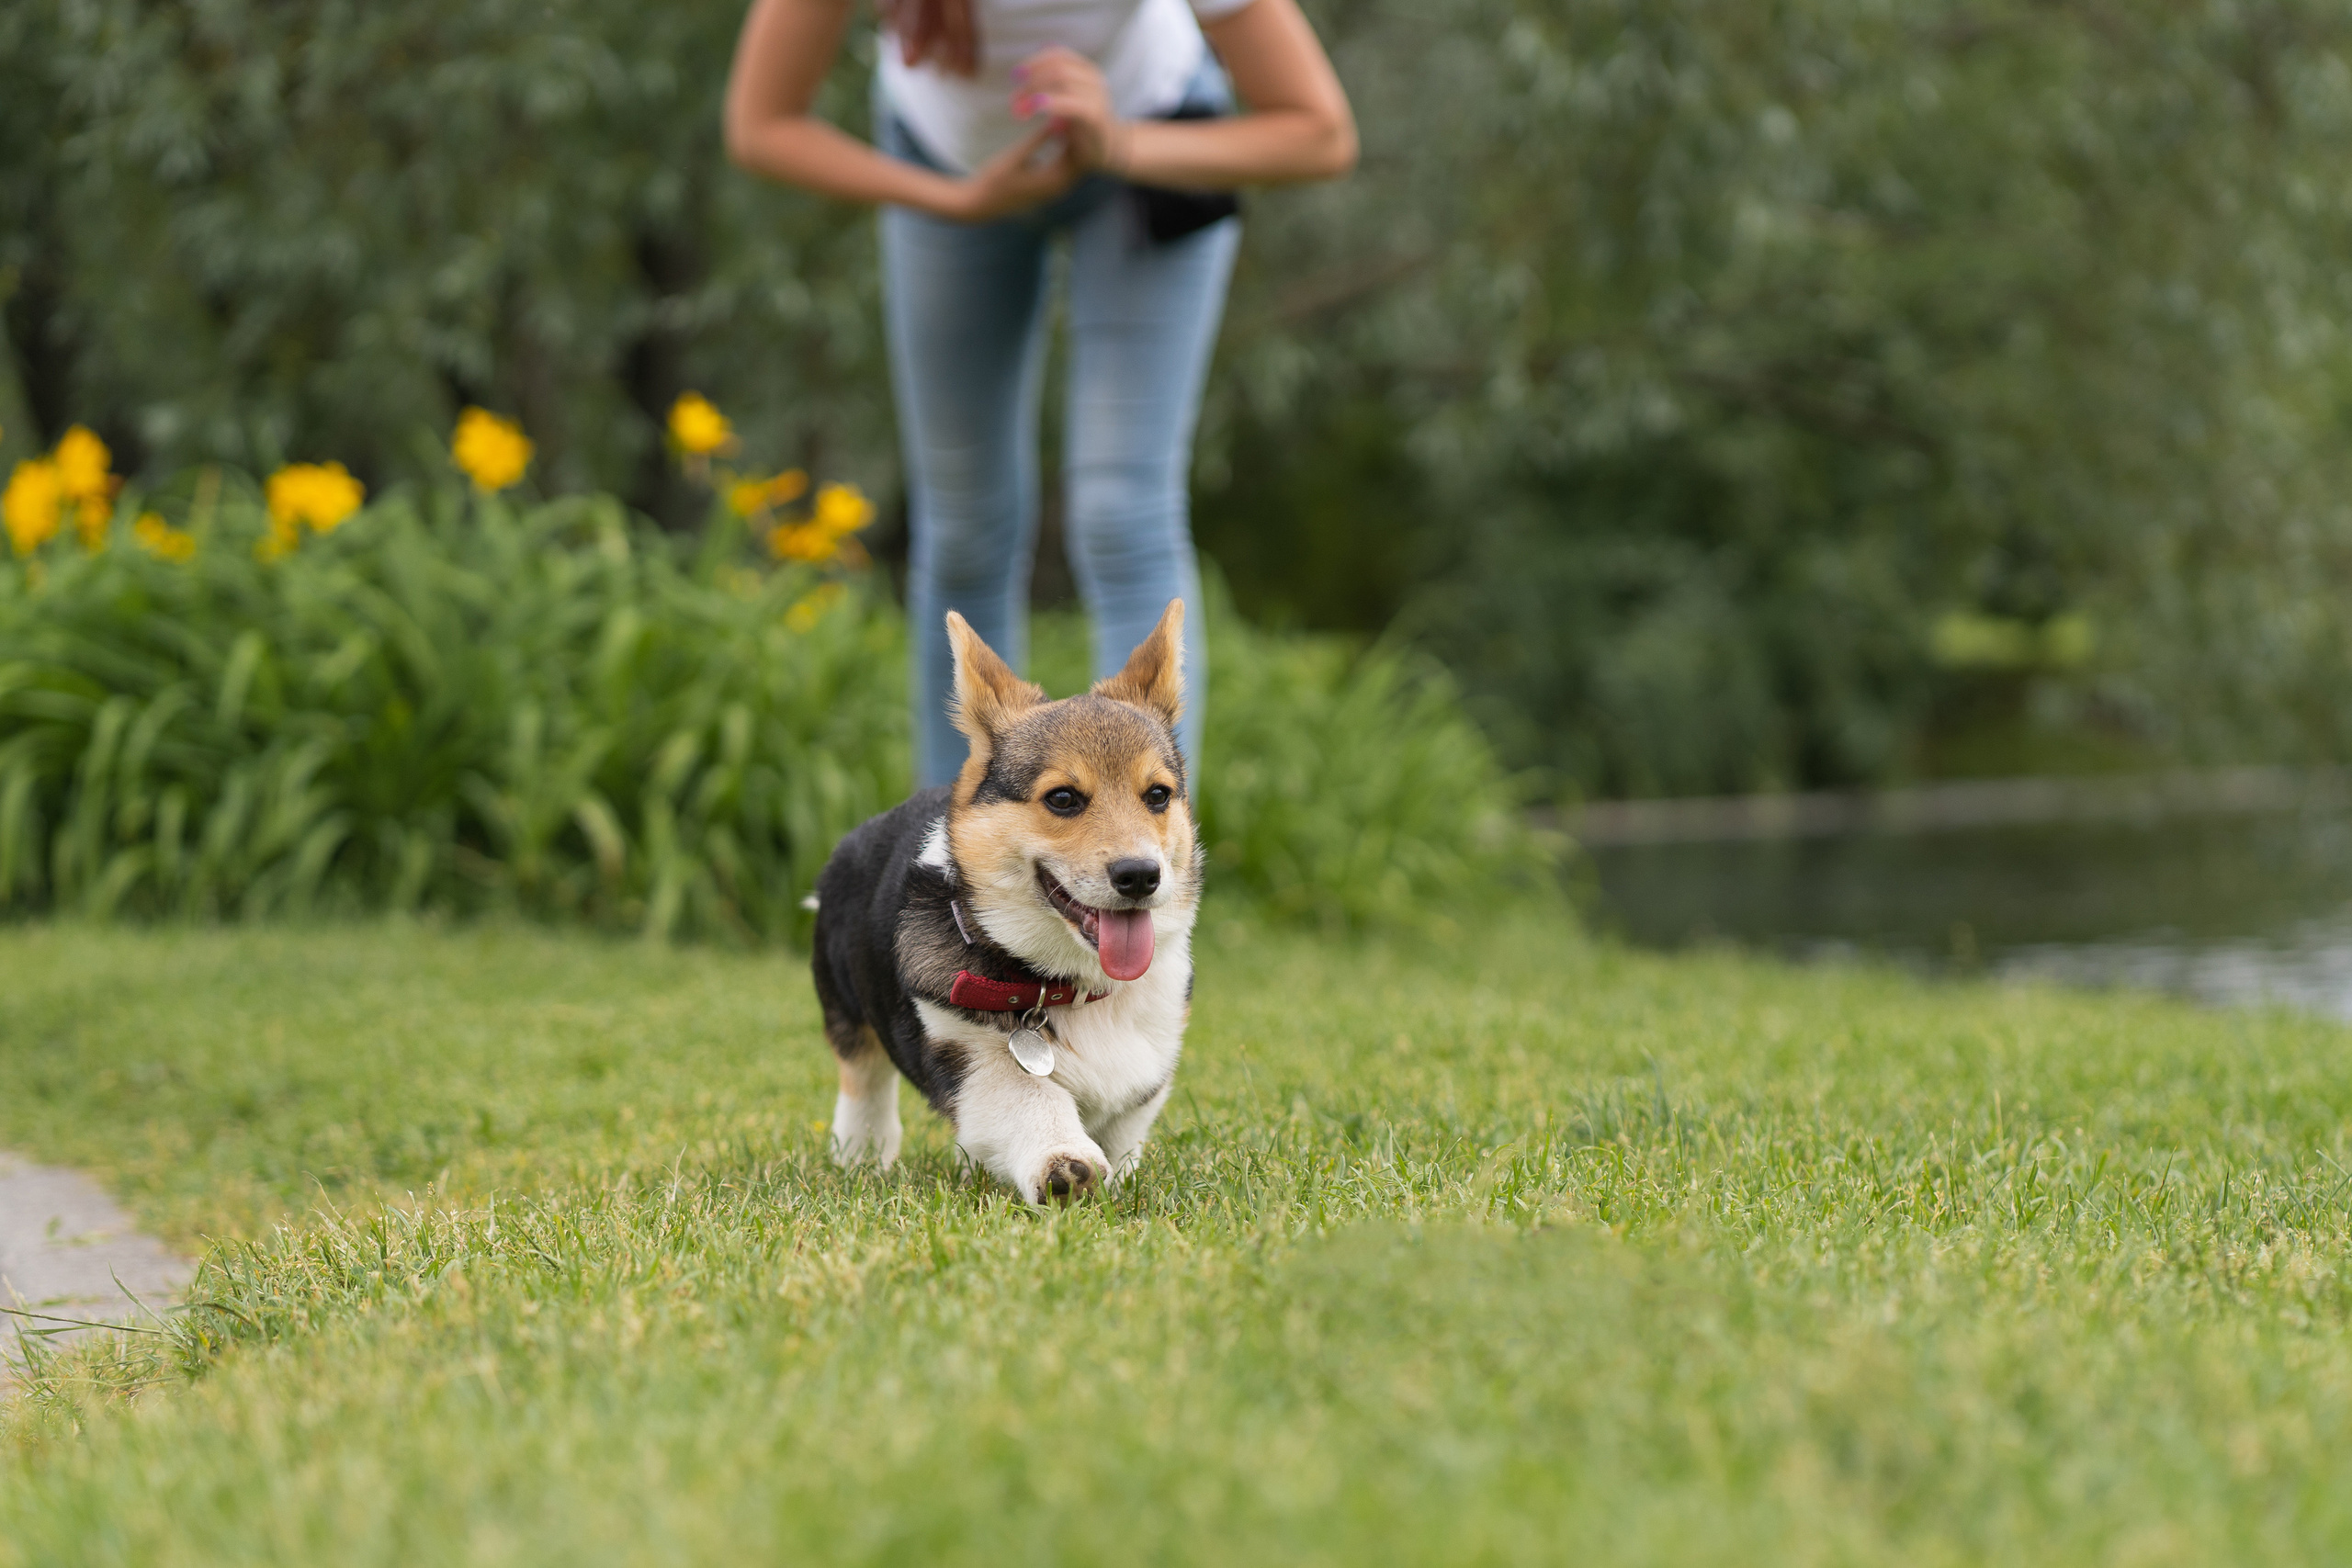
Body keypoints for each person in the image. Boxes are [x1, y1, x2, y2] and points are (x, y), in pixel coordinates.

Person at [725, 0, 1356, 787]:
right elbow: (761, 123)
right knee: (964, 529)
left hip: (1146, 140)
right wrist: (953, 202)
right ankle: (952, 885)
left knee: (1123, 513)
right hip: (947, 161)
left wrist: (1120, 142)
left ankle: (1145, 882)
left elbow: (1320, 131)